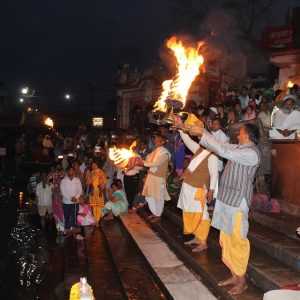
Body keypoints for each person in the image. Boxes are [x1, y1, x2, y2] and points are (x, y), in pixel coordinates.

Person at [179, 120, 260, 295]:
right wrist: (185, 128)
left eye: (240, 132)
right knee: (226, 240)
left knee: (237, 240)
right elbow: (219, 146)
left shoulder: (251, 153)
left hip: (238, 202)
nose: (238, 134)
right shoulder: (238, 148)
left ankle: (242, 280)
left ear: (247, 134)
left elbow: (221, 149)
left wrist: (202, 132)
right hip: (226, 201)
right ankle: (234, 274)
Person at [177, 130, 219, 252]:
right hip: (188, 187)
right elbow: (187, 140)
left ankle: (203, 242)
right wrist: (180, 129)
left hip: (199, 189)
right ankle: (197, 237)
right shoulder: (199, 149)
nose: (201, 140)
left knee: (202, 215)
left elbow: (214, 174)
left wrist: (211, 191)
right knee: (191, 212)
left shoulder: (212, 155)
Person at [142, 133, 171, 222]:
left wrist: (142, 162)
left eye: (158, 139)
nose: (155, 141)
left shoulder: (165, 153)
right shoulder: (155, 151)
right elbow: (147, 159)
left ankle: (158, 215)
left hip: (159, 178)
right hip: (151, 177)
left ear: (162, 142)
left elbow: (155, 164)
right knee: (149, 196)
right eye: (155, 139)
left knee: (158, 197)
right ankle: (155, 213)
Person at [60, 166, 83, 235]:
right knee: (67, 216)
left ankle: (74, 229)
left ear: (74, 172)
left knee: (74, 215)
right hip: (66, 202)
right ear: (67, 172)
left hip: (75, 201)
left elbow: (80, 190)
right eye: (69, 171)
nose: (71, 172)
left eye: (72, 170)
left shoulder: (77, 180)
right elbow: (63, 192)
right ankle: (67, 229)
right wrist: (70, 198)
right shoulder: (63, 181)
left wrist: (76, 197)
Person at [48, 163, 65, 233]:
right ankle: (58, 228)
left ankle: (63, 227)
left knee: (61, 211)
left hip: (61, 196)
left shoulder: (63, 174)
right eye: (57, 167)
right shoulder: (51, 175)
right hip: (54, 196)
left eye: (59, 167)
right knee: (56, 212)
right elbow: (50, 185)